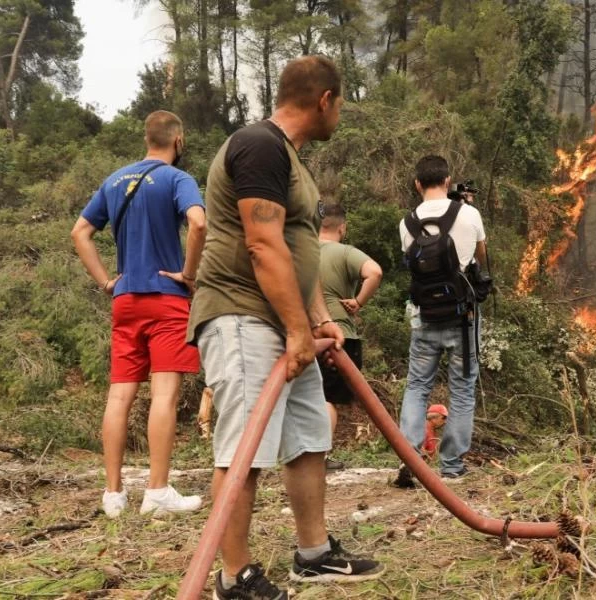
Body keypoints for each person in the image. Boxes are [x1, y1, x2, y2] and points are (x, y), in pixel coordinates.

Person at [185, 55, 384, 599]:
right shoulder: (259, 145)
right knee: (243, 450)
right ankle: (234, 576)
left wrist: (319, 319)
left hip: (284, 323)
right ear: (325, 100)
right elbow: (261, 244)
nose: (339, 113)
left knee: (307, 440)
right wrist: (298, 330)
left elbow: (298, 250)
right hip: (242, 314)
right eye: (340, 104)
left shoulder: (291, 160)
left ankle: (314, 553)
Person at [71, 110, 206, 517]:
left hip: (125, 297)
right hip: (166, 297)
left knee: (120, 394)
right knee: (164, 393)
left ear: (147, 138)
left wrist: (106, 281)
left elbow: (80, 232)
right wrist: (188, 273)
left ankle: (113, 495)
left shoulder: (114, 180)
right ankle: (158, 491)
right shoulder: (176, 179)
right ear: (177, 140)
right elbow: (198, 224)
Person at [394, 155, 487, 487]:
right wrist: (466, 210)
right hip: (463, 318)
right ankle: (451, 465)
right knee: (462, 389)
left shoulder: (407, 223)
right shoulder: (470, 214)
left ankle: (412, 461)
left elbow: (411, 262)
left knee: (417, 386)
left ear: (418, 184)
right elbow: (481, 260)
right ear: (448, 181)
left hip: (424, 317)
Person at [317, 203, 383, 470]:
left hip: (304, 334)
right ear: (342, 227)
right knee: (328, 398)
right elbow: (375, 272)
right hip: (339, 335)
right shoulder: (345, 252)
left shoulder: (300, 250)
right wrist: (358, 301)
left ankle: (302, 452)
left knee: (307, 396)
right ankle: (319, 456)